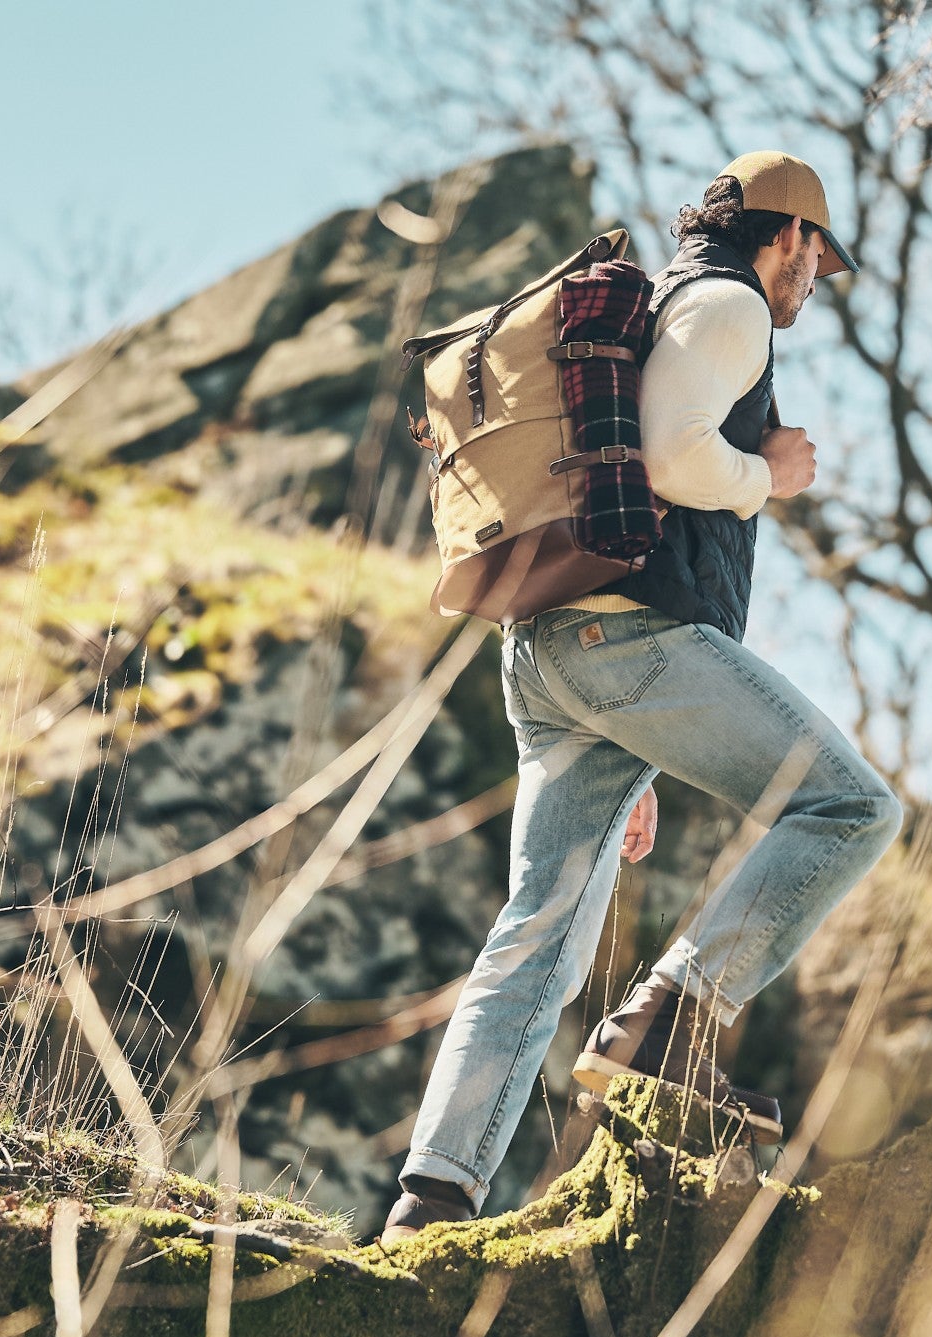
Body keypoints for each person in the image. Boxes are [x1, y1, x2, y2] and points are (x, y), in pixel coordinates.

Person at [382, 151, 901, 1245]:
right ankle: (673, 1023)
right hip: (626, 641)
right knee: (851, 806)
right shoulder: (728, 304)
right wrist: (770, 476)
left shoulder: (659, 305)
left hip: (553, 648)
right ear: (789, 235)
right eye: (818, 256)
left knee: (539, 932)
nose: (816, 280)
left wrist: (641, 744)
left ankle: (431, 1194)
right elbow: (669, 458)